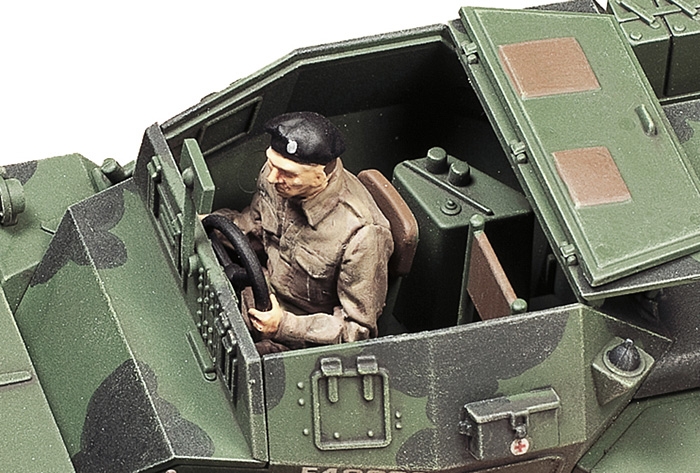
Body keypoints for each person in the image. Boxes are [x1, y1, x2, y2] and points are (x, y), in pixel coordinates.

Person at [216, 111, 393, 353]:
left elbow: (357, 331)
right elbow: (254, 228)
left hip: (299, 342)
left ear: (321, 175)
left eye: (288, 173)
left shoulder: (362, 234)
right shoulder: (279, 180)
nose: (272, 177)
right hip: (256, 294)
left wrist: (283, 326)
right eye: (272, 164)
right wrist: (212, 224)